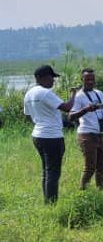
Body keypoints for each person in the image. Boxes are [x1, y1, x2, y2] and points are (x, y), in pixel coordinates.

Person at [23, 65, 77, 203]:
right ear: (40, 78)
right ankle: (52, 204)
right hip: (51, 136)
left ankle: (48, 201)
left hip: (38, 135)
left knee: (47, 171)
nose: (53, 80)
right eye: (50, 77)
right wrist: (73, 94)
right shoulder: (44, 93)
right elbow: (66, 107)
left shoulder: (29, 94)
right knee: (53, 172)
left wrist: (41, 121)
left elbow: (28, 116)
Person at [68, 68, 103, 190]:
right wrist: (86, 109)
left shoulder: (99, 93)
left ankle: (101, 192)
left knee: (101, 167)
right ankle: (83, 193)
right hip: (86, 134)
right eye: (87, 79)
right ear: (82, 80)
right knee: (90, 167)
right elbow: (70, 117)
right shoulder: (79, 96)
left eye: (92, 79)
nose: (91, 82)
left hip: (100, 133)